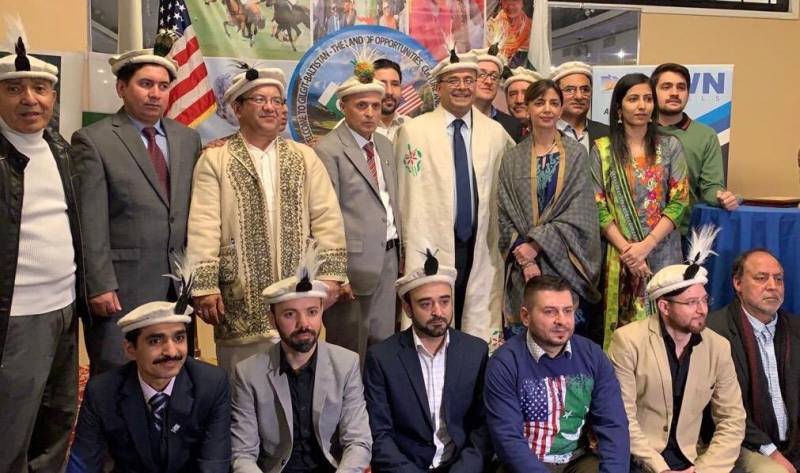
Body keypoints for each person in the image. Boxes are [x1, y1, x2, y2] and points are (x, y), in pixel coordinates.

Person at [186, 66, 347, 373]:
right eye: (260, 99)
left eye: (277, 101)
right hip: (239, 292)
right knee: (242, 385)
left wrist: (331, 276)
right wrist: (204, 286)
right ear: (237, 108)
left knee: (298, 379)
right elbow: (204, 224)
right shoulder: (216, 159)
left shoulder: (303, 156)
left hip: (299, 293)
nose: (271, 107)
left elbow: (327, 217)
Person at [72, 33, 202, 375]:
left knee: (172, 374)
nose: (155, 93)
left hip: (176, 285)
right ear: (121, 88)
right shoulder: (94, 140)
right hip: (121, 287)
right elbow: (90, 220)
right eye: (146, 84)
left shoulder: (187, 139)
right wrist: (99, 283)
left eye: (163, 86)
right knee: (118, 375)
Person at [0, 28, 86, 473]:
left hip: (64, 310)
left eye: (40, 88)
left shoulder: (60, 149)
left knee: (55, 423)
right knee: (10, 431)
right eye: (14, 89)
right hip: (16, 318)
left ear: (53, 96)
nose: (29, 99)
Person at [395, 48, 514, 347]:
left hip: (480, 245)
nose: (462, 87)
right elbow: (399, 193)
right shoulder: (413, 131)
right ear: (440, 87)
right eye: (454, 80)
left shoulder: (496, 134)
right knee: (433, 316)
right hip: (429, 243)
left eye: (468, 80)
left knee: (476, 321)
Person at [608, 227, 746, 473]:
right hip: (642, 460)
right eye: (691, 303)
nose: (702, 309)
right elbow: (622, 418)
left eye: (704, 300)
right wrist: (660, 469)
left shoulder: (718, 347)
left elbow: (732, 420)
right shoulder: (628, 341)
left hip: (694, 459)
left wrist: (706, 469)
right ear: (664, 306)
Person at [68, 270, 231, 473]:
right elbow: (83, 465)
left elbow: (214, 465)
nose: (171, 351)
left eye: (179, 338)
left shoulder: (211, 384)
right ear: (131, 350)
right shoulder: (102, 392)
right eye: (155, 341)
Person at [230, 246, 372, 472]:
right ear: (272, 319)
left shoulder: (346, 364)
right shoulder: (248, 373)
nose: (303, 324)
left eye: (312, 312)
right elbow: (242, 455)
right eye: (290, 314)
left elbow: (358, 442)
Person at [364, 249, 493, 471]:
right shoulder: (382, 358)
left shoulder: (475, 351)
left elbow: (483, 427)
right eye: (425, 304)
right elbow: (379, 435)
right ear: (408, 308)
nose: (438, 312)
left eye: (444, 301)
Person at [485, 275, 630, 472]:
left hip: (576, 460)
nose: (561, 320)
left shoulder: (592, 355)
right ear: (526, 317)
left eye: (567, 311)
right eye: (550, 312)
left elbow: (613, 425)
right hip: (524, 464)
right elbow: (507, 439)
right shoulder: (505, 362)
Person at [591, 73, 690, 347]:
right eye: (633, 99)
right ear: (619, 107)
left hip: (663, 252)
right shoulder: (602, 150)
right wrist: (629, 251)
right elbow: (597, 205)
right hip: (621, 257)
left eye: (647, 99)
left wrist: (647, 245)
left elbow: (680, 200)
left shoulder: (670, 146)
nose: (641, 106)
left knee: (667, 332)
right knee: (626, 339)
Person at [498, 79, 601, 340]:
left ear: (561, 108)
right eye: (539, 102)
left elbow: (580, 212)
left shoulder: (576, 154)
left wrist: (538, 244)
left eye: (554, 103)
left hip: (565, 262)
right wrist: (526, 257)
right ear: (528, 107)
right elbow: (504, 210)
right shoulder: (512, 157)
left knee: (563, 334)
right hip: (523, 265)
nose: (547, 109)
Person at [315, 57, 402, 359]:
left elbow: (390, 204)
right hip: (351, 267)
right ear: (344, 107)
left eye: (375, 106)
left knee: (384, 348)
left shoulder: (385, 144)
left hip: (389, 260)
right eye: (361, 105)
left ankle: (376, 407)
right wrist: (337, 273)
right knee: (349, 351)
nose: (370, 113)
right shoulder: (329, 149)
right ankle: (347, 408)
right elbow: (325, 217)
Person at [707, 249, 800, 472]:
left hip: (794, 442)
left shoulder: (795, 329)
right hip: (743, 443)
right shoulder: (714, 332)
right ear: (738, 283)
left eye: (778, 279)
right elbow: (722, 410)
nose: (772, 286)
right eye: (761, 278)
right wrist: (771, 451)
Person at [652, 62, 738, 236]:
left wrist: (722, 197)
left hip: (685, 233)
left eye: (681, 87)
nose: (674, 93)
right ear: (653, 92)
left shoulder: (705, 135)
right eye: (666, 87)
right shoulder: (638, 132)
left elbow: (711, 188)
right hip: (638, 233)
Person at [551, 61, 609, 155]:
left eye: (585, 90)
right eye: (569, 90)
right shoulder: (543, 134)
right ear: (555, 95)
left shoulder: (607, 133)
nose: (579, 96)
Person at [472, 43, 524, 142]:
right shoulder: (455, 119)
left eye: (494, 76)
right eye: (482, 74)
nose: (488, 81)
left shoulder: (513, 126)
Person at [486, 0, 531, 67]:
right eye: (506, 2)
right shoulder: (491, 25)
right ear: (501, 3)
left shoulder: (531, 27)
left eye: (515, 2)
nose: (510, 6)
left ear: (522, 3)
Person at [373, 58, 408, 142]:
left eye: (395, 84)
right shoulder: (351, 129)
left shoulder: (412, 126)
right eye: (382, 84)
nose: (389, 92)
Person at [502, 66, 542, 139]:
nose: (519, 100)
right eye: (513, 94)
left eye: (525, 93)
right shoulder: (499, 132)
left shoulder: (552, 133)